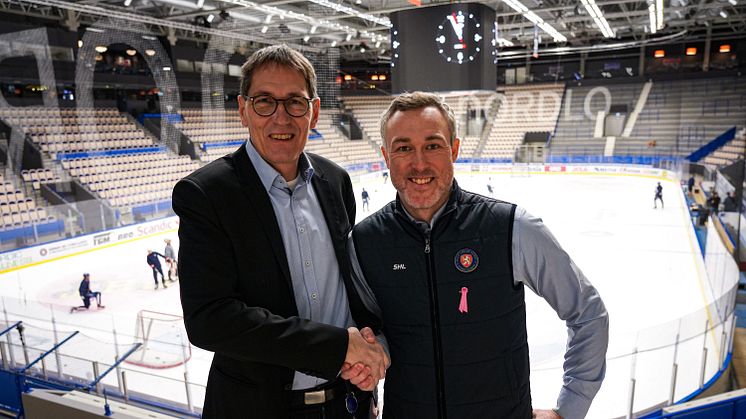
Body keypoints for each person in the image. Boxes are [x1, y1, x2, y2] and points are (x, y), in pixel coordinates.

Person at [350, 92, 608, 419]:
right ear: (386, 157)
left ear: (454, 150)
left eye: (433, 145)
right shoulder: (364, 242)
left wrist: (568, 410)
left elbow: (587, 312)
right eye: (403, 148)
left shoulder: (512, 228)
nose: (419, 163)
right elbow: (373, 334)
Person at [171, 44, 388, 418]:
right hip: (258, 408)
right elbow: (210, 320)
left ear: (314, 111)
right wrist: (336, 348)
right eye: (264, 101)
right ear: (243, 110)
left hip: (346, 403)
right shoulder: (206, 195)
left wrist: (370, 348)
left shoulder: (335, 181)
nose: (281, 117)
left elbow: (351, 286)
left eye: (295, 102)